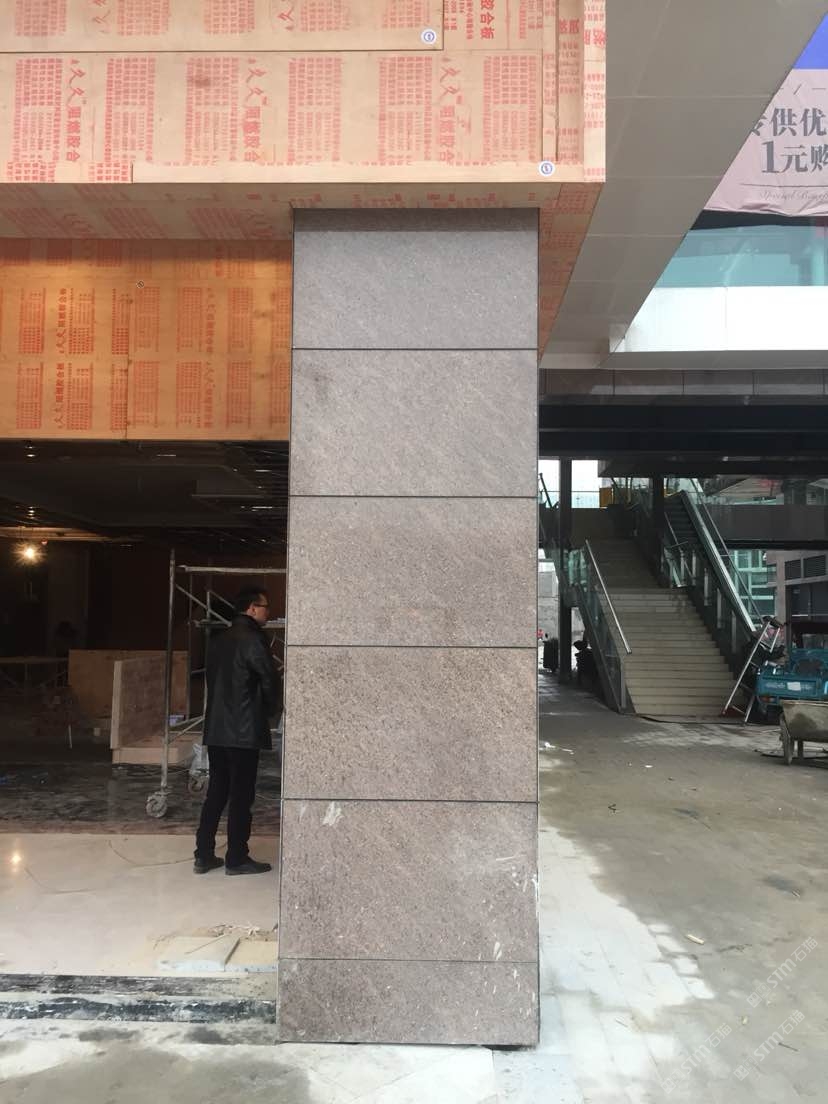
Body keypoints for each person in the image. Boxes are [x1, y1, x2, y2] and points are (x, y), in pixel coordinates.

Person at [194, 585, 282, 876]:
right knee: (242, 796)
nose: (268, 612)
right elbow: (268, 679)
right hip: (243, 731)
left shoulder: (218, 640)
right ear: (252, 609)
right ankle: (236, 858)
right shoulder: (254, 640)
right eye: (265, 607)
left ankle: (203, 854)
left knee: (217, 792)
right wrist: (270, 711)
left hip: (217, 729)